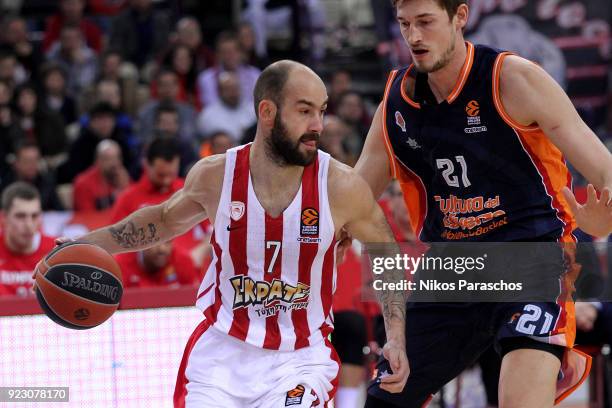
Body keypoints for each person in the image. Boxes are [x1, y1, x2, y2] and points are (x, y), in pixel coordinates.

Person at [41, 60, 410, 407]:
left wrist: (395, 336)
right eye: (304, 110)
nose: (318, 124)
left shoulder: (339, 185)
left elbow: (386, 252)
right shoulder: (217, 175)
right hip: (220, 357)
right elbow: (162, 221)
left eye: (322, 109)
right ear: (267, 113)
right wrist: (85, 244)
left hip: (299, 360)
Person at [356, 1, 612, 407]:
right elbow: (353, 196)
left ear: (460, 16)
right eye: (405, 25)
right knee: (384, 400)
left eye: (425, 22)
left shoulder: (513, 78)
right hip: (452, 265)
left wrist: (604, 221)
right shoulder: (396, 102)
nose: (414, 37)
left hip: (533, 257)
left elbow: (604, 169)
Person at [0, 182, 55, 297]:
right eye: (20, 216)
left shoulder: (55, 252)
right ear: (4, 218)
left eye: (34, 216)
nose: (29, 225)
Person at [0, 141, 64, 211]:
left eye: (35, 160)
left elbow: (60, 211)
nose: (32, 165)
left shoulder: (46, 182)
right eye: (27, 161)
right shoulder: (6, 184)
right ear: (16, 163)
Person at [73, 139, 131, 212]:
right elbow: (87, 216)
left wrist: (126, 188)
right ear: (97, 160)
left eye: (117, 157)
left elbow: (133, 206)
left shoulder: (122, 176)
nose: (114, 163)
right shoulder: (83, 183)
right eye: (108, 159)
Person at [115, 240, 199, 288]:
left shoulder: (182, 260)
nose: (162, 249)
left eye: (167, 242)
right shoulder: (120, 265)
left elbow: (193, 302)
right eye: (156, 242)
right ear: (141, 243)